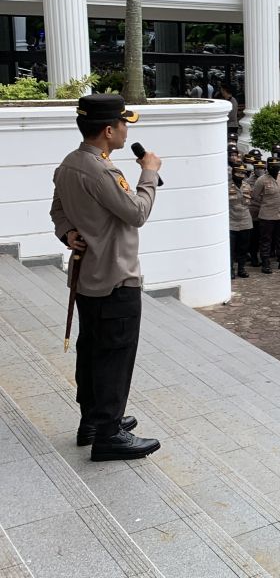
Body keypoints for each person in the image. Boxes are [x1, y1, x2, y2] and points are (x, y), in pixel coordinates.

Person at [50, 94, 161, 461]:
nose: (127, 130)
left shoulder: (69, 164)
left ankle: (94, 421)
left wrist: (68, 233)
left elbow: (58, 212)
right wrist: (149, 172)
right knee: (115, 355)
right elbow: (136, 213)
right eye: (124, 124)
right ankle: (109, 434)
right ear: (109, 129)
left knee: (92, 350)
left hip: (87, 279)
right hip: (116, 278)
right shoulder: (102, 171)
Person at [250, 156, 280, 273]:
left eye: (276, 166)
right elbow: (255, 196)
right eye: (272, 166)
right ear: (268, 167)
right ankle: (265, 263)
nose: (274, 168)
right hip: (267, 215)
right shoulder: (261, 180)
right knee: (266, 240)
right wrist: (266, 203)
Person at [228, 163, 253, 279]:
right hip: (231, 221)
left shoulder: (247, 186)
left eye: (242, 173)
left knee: (243, 248)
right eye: (238, 172)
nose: (240, 175)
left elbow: (252, 201)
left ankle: (241, 269)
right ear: (233, 173)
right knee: (231, 249)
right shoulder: (226, 186)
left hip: (245, 221)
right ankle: (231, 269)